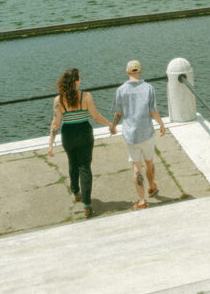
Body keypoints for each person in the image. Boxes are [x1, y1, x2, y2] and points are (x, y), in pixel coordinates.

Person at [48, 67, 116, 218]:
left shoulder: (58, 100)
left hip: (69, 134)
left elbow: (55, 124)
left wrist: (51, 144)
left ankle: (76, 191)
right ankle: (87, 204)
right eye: (79, 78)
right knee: (85, 167)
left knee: (72, 162)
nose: (81, 80)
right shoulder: (86, 96)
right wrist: (110, 125)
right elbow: (96, 116)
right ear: (76, 81)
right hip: (84, 133)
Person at [112, 59, 166, 210]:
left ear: (127, 72)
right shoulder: (149, 88)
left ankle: (142, 201)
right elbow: (153, 111)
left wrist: (113, 126)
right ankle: (152, 186)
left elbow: (118, 113)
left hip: (131, 135)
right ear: (140, 71)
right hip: (147, 133)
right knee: (149, 162)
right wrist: (161, 124)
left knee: (137, 166)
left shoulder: (121, 90)